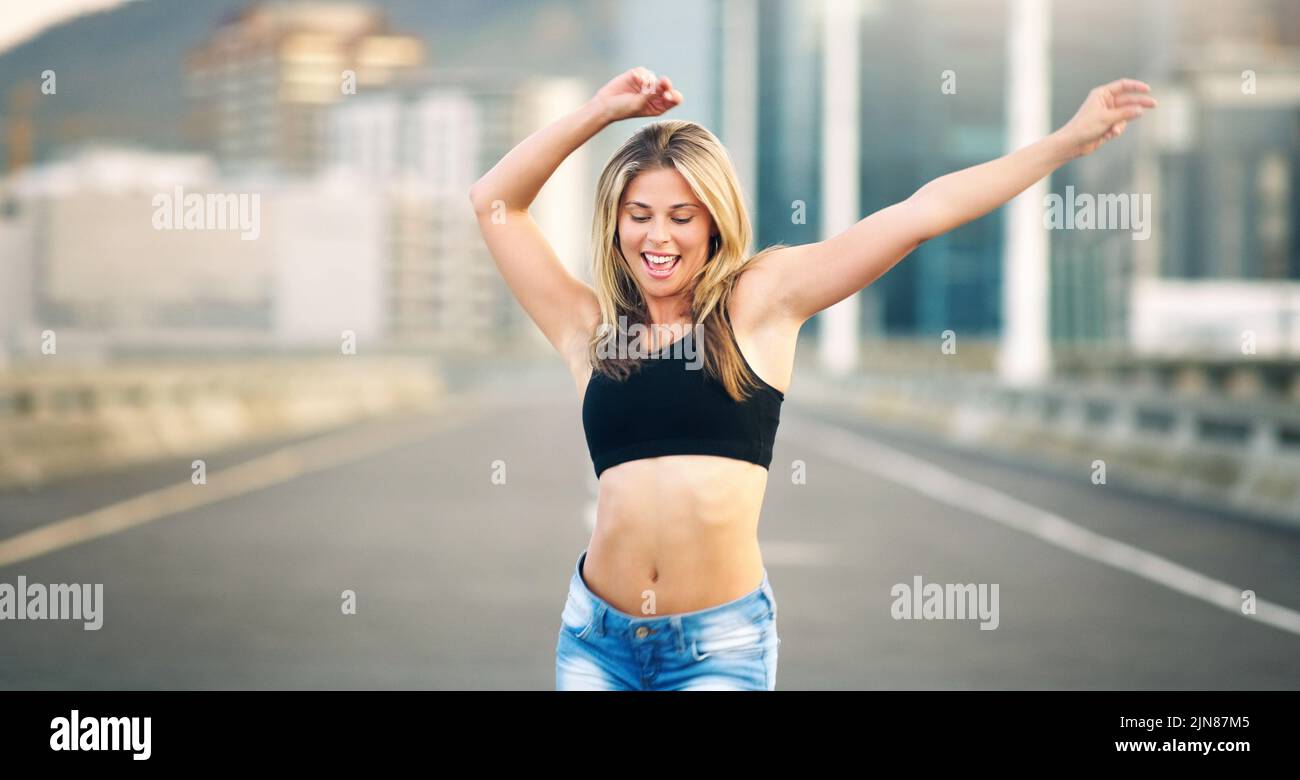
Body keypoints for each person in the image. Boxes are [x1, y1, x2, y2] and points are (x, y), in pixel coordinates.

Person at [469, 66, 1155, 690]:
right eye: (638, 216)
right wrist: (598, 113)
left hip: (719, 647)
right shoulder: (590, 329)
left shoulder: (759, 303)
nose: (658, 238)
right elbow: (494, 201)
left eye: (682, 217)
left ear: (714, 224)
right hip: (596, 641)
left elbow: (920, 215)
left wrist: (1065, 142)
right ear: (615, 223)